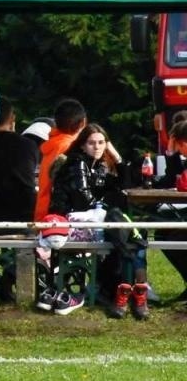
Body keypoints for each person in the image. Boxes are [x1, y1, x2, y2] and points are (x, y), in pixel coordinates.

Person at [49, 123, 146, 319]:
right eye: (92, 143)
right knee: (128, 234)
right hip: (70, 224)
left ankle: (128, 291)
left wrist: (116, 156)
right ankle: (135, 292)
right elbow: (82, 200)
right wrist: (106, 206)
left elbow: (124, 186)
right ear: (82, 146)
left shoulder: (97, 166)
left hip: (91, 222)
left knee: (130, 234)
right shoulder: (77, 163)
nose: (97, 147)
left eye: (102, 142)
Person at [0, 100, 39, 304]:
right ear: (12, 119)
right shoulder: (28, 145)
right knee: (39, 240)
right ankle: (9, 277)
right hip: (24, 216)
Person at [34, 99, 87, 222]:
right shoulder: (70, 147)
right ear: (83, 122)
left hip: (42, 213)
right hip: (57, 218)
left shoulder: (53, 144)